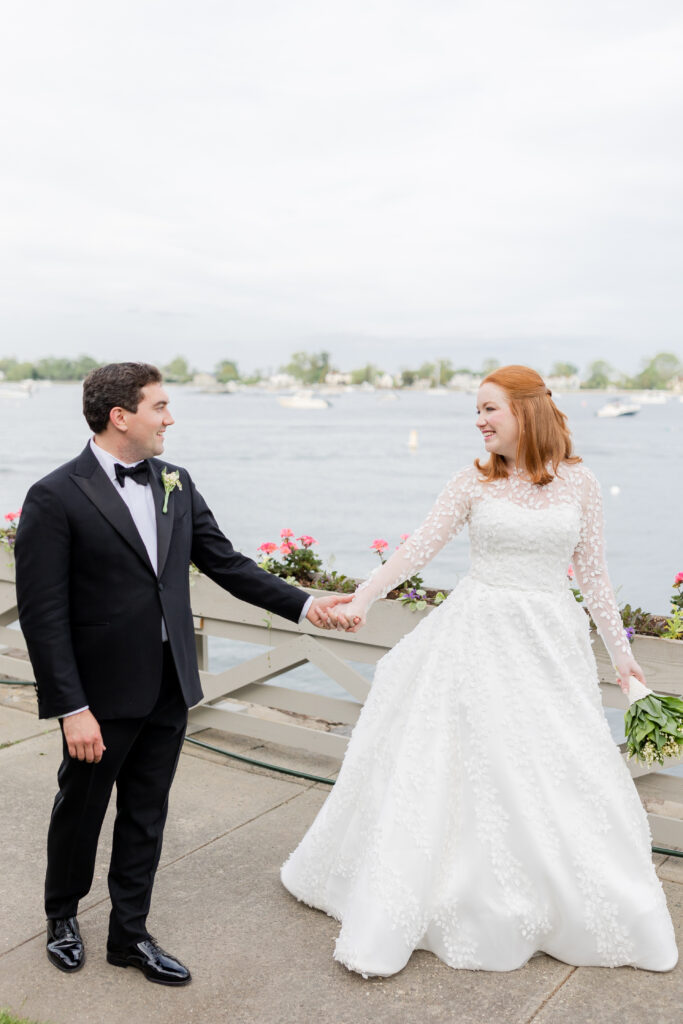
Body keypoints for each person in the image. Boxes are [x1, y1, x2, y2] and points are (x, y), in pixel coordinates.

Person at [281, 364, 678, 976]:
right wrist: (362, 598)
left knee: (553, 764)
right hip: (476, 633)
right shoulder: (474, 480)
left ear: (526, 411)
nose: (479, 421)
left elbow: (594, 576)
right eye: (478, 410)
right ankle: (463, 896)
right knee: (469, 762)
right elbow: (418, 547)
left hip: (549, 641)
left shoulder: (582, 483)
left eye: (489, 409)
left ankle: (554, 899)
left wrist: (623, 658)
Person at [15, 362, 351, 986]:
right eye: (160, 407)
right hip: (98, 696)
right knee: (80, 810)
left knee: (147, 812)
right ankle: (62, 917)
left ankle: (129, 936)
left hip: (170, 684)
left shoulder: (175, 481)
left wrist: (307, 605)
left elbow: (226, 563)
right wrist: (71, 708)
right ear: (122, 416)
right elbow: (43, 616)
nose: (171, 418)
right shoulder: (54, 495)